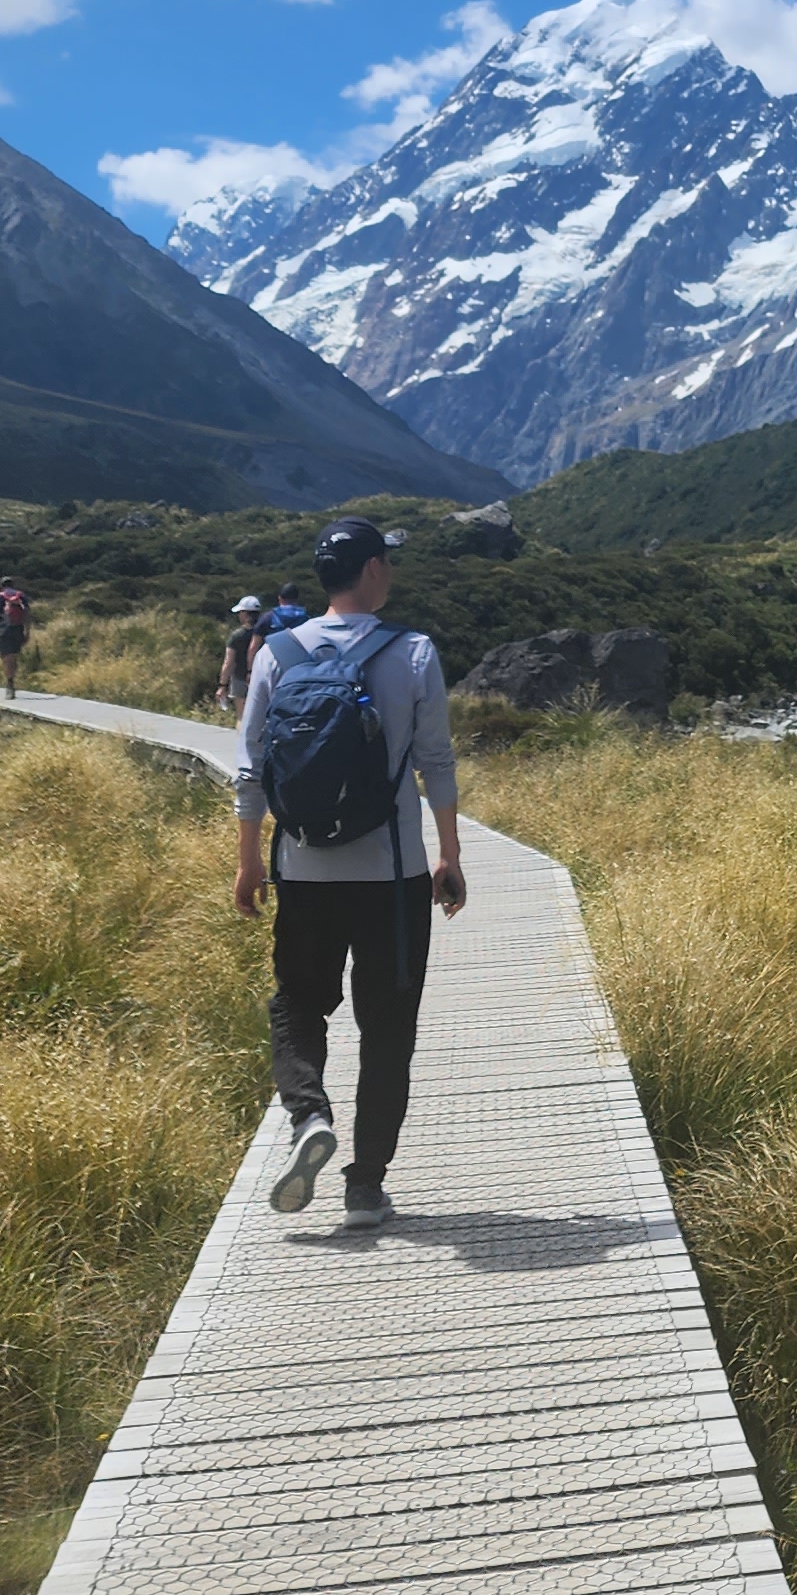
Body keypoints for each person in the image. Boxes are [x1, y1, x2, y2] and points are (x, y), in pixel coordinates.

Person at [234, 517, 463, 1230]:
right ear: (369, 571)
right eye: (385, 563)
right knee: (388, 1029)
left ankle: (309, 1115)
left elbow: (251, 771)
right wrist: (449, 854)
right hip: (391, 878)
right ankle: (365, 1185)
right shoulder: (414, 651)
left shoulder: (275, 652)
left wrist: (248, 863)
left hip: (303, 870)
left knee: (297, 1005)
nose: (389, 573)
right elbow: (437, 764)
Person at [0, 577, 33, 697]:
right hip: (18, 630)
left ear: (1, 585)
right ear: (13, 585)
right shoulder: (21, 596)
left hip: (4, 631)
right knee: (14, 657)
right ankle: (12, 680)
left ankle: (9, 684)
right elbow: (27, 615)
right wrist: (27, 632)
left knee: (6, 658)